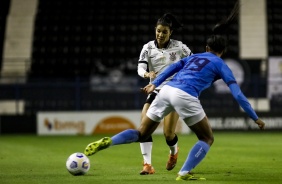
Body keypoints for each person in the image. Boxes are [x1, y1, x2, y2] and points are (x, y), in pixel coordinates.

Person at [84, 1, 265, 181]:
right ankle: (184, 172)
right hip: (184, 95)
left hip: (166, 90)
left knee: (142, 133)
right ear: (223, 51)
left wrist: (155, 84)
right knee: (206, 138)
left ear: (207, 48)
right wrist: (255, 117)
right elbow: (238, 95)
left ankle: (111, 141)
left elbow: (171, 69)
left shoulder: (192, 57)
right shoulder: (220, 64)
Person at [137, 13, 193, 175]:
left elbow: (193, 63)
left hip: (174, 91)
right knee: (143, 128)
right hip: (156, 89)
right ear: (155, 30)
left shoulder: (181, 47)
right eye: (158, 31)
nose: (160, 35)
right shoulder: (147, 48)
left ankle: (173, 152)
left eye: (164, 32)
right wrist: (146, 74)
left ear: (171, 33)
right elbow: (140, 67)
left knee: (168, 134)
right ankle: (147, 165)